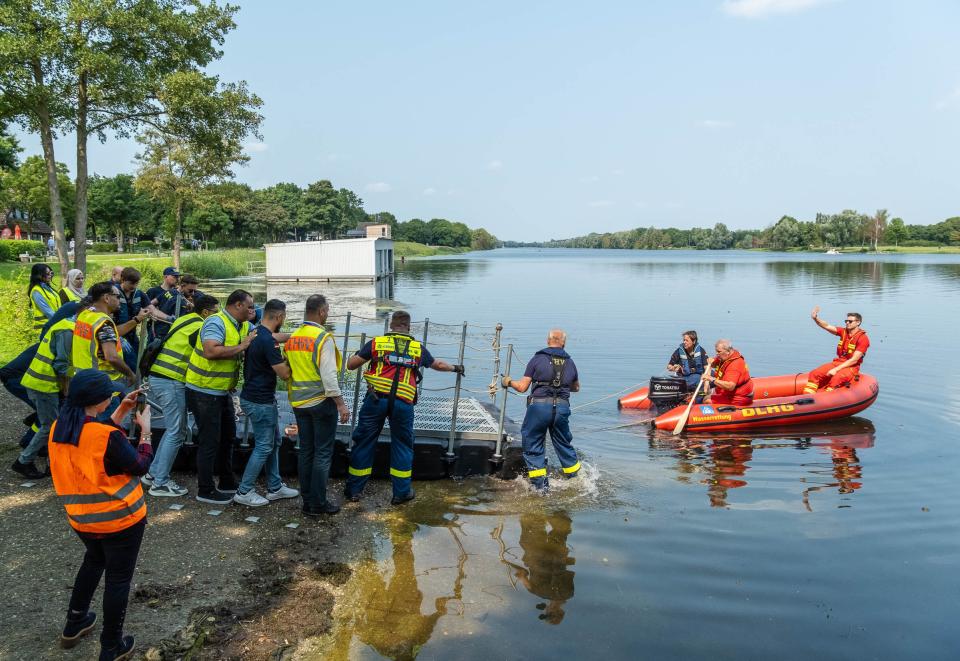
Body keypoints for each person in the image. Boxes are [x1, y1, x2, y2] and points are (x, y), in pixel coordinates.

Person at [48, 370, 152, 660]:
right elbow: (139, 464)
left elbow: (90, 439)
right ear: (98, 401)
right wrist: (146, 431)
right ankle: (111, 646)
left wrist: (120, 411)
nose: (113, 396)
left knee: (93, 562)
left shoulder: (60, 427)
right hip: (120, 519)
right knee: (118, 580)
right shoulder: (105, 436)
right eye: (111, 395)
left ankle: (75, 622)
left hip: (81, 518)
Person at [345, 310, 463, 506]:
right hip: (403, 404)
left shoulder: (377, 343)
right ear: (409, 327)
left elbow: (351, 365)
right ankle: (401, 493)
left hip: (375, 401)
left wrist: (356, 356)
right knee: (402, 446)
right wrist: (456, 368)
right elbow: (437, 364)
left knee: (364, 442)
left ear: (391, 325)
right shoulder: (417, 349)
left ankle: (354, 491)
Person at [143, 294, 220, 497]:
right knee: (177, 431)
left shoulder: (186, 318)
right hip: (172, 379)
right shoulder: (201, 326)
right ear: (206, 312)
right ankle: (160, 483)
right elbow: (209, 352)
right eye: (216, 312)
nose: (218, 315)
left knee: (174, 429)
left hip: (159, 376)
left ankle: (153, 474)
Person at [185, 289, 255, 504]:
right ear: (237, 305)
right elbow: (211, 352)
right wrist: (242, 346)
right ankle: (205, 489)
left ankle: (226, 480)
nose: (253, 310)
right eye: (249, 306)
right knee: (209, 441)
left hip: (221, 391)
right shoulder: (216, 322)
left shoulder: (242, 324)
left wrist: (294, 336)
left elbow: (264, 334)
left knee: (228, 436)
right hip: (203, 390)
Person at [283, 295, 348, 515]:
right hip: (321, 402)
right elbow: (329, 376)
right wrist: (340, 404)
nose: (327, 314)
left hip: (299, 402)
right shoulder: (323, 338)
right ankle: (318, 504)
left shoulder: (293, 337)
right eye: (327, 311)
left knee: (306, 452)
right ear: (321, 312)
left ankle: (307, 500)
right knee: (322, 453)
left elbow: (287, 369)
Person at [233, 299, 300, 507]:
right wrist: (297, 357)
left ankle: (275, 486)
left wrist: (297, 336)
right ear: (279, 317)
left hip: (253, 397)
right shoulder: (269, 343)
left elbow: (275, 336)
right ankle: (244, 491)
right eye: (284, 318)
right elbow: (285, 374)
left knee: (274, 442)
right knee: (263, 446)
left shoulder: (256, 333)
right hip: (260, 401)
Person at [501, 329, 581, 492]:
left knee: (533, 443)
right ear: (563, 343)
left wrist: (508, 381)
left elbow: (523, 387)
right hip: (562, 408)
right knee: (563, 444)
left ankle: (540, 487)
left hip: (539, 408)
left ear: (547, 341)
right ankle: (577, 480)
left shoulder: (537, 359)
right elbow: (576, 387)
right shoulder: (570, 362)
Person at [13, 304, 77, 479]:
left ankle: (52, 463)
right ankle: (23, 461)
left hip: (44, 383)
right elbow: (62, 365)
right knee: (50, 426)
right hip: (44, 384)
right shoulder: (67, 331)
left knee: (53, 423)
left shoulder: (66, 325)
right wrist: (66, 390)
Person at [73, 283, 141, 418]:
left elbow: (113, 333)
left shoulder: (86, 315)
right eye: (117, 296)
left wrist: (136, 320)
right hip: (103, 388)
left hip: (84, 380)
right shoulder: (104, 323)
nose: (120, 300)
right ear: (106, 298)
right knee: (106, 431)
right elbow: (112, 357)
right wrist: (130, 374)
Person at [803, 307, 870, 394]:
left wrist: (836, 369)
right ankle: (807, 398)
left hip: (851, 367)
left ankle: (825, 399)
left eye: (850, 321)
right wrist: (815, 318)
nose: (847, 323)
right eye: (846, 321)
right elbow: (826, 326)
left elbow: (854, 360)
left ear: (858, 322)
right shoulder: (843, 332)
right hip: (838, 362)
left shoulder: (863, 338)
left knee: (836, 378)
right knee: (814, 374)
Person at [115, 267, 158, 375]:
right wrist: (138, 318)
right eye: (131, 283)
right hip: (116, 336)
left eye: (136, 283)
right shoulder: (113, 293)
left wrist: (169, 319)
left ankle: (136, 385)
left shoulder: (139, 294)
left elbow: (153, 310)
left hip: (132, 336)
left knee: (140, 362)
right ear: (122, 279)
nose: (134, 286)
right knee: (131, 365)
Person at [702, 339, 753, 406]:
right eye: (716, 351)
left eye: (718, 352)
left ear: (728, 351)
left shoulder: (735, 365)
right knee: (704, 393)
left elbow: (730, 386)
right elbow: (714, 364)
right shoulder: (724, 356)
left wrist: (711, 379)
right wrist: (711, 361)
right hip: (726, 392)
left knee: (706, 400)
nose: (717, 354)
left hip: (739, 397)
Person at [147, 267, 184, 339]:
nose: (177, 279)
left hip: (173, 328)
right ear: (165, 277)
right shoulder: (153, 291)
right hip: (155, 328)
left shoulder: (178, 293)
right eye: (174, 276)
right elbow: (146, 308)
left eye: (178, 277)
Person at [28, 262, 61, 338]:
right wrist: (62, 319)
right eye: (47, 274)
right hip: (45, 328)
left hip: (54, 325)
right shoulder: (36, 291)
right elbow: (48, 311)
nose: (50, 276)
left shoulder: (47, 288)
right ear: (39, 275)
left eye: (51, 273)